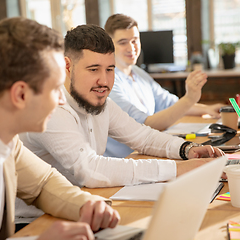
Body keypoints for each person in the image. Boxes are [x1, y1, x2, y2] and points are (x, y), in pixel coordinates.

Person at [0, 17, 119, 240]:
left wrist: (88, 206)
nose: (62, 99)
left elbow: (43, 184)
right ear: (20, 95)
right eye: (55, 88)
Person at [19, 24, 223, 192]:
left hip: (82, 203)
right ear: (67, 66)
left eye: (110, 69)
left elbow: (143, 137)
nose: (104, 81)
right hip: (35, 222)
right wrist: (179, 169)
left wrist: (187, 150)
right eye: (93, 69)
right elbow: (90, 170)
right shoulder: (51, 107)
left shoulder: (99, 100)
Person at [103, 13, 225, 158]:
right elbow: (146, 126)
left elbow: (170, 103)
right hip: (126, 160)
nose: (131, 47)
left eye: (135, 40)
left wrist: (207, 109)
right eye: (123, 42)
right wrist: (189, 98)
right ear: (110, 45)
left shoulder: (138, 73)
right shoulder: (109, 82)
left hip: (148, 153)